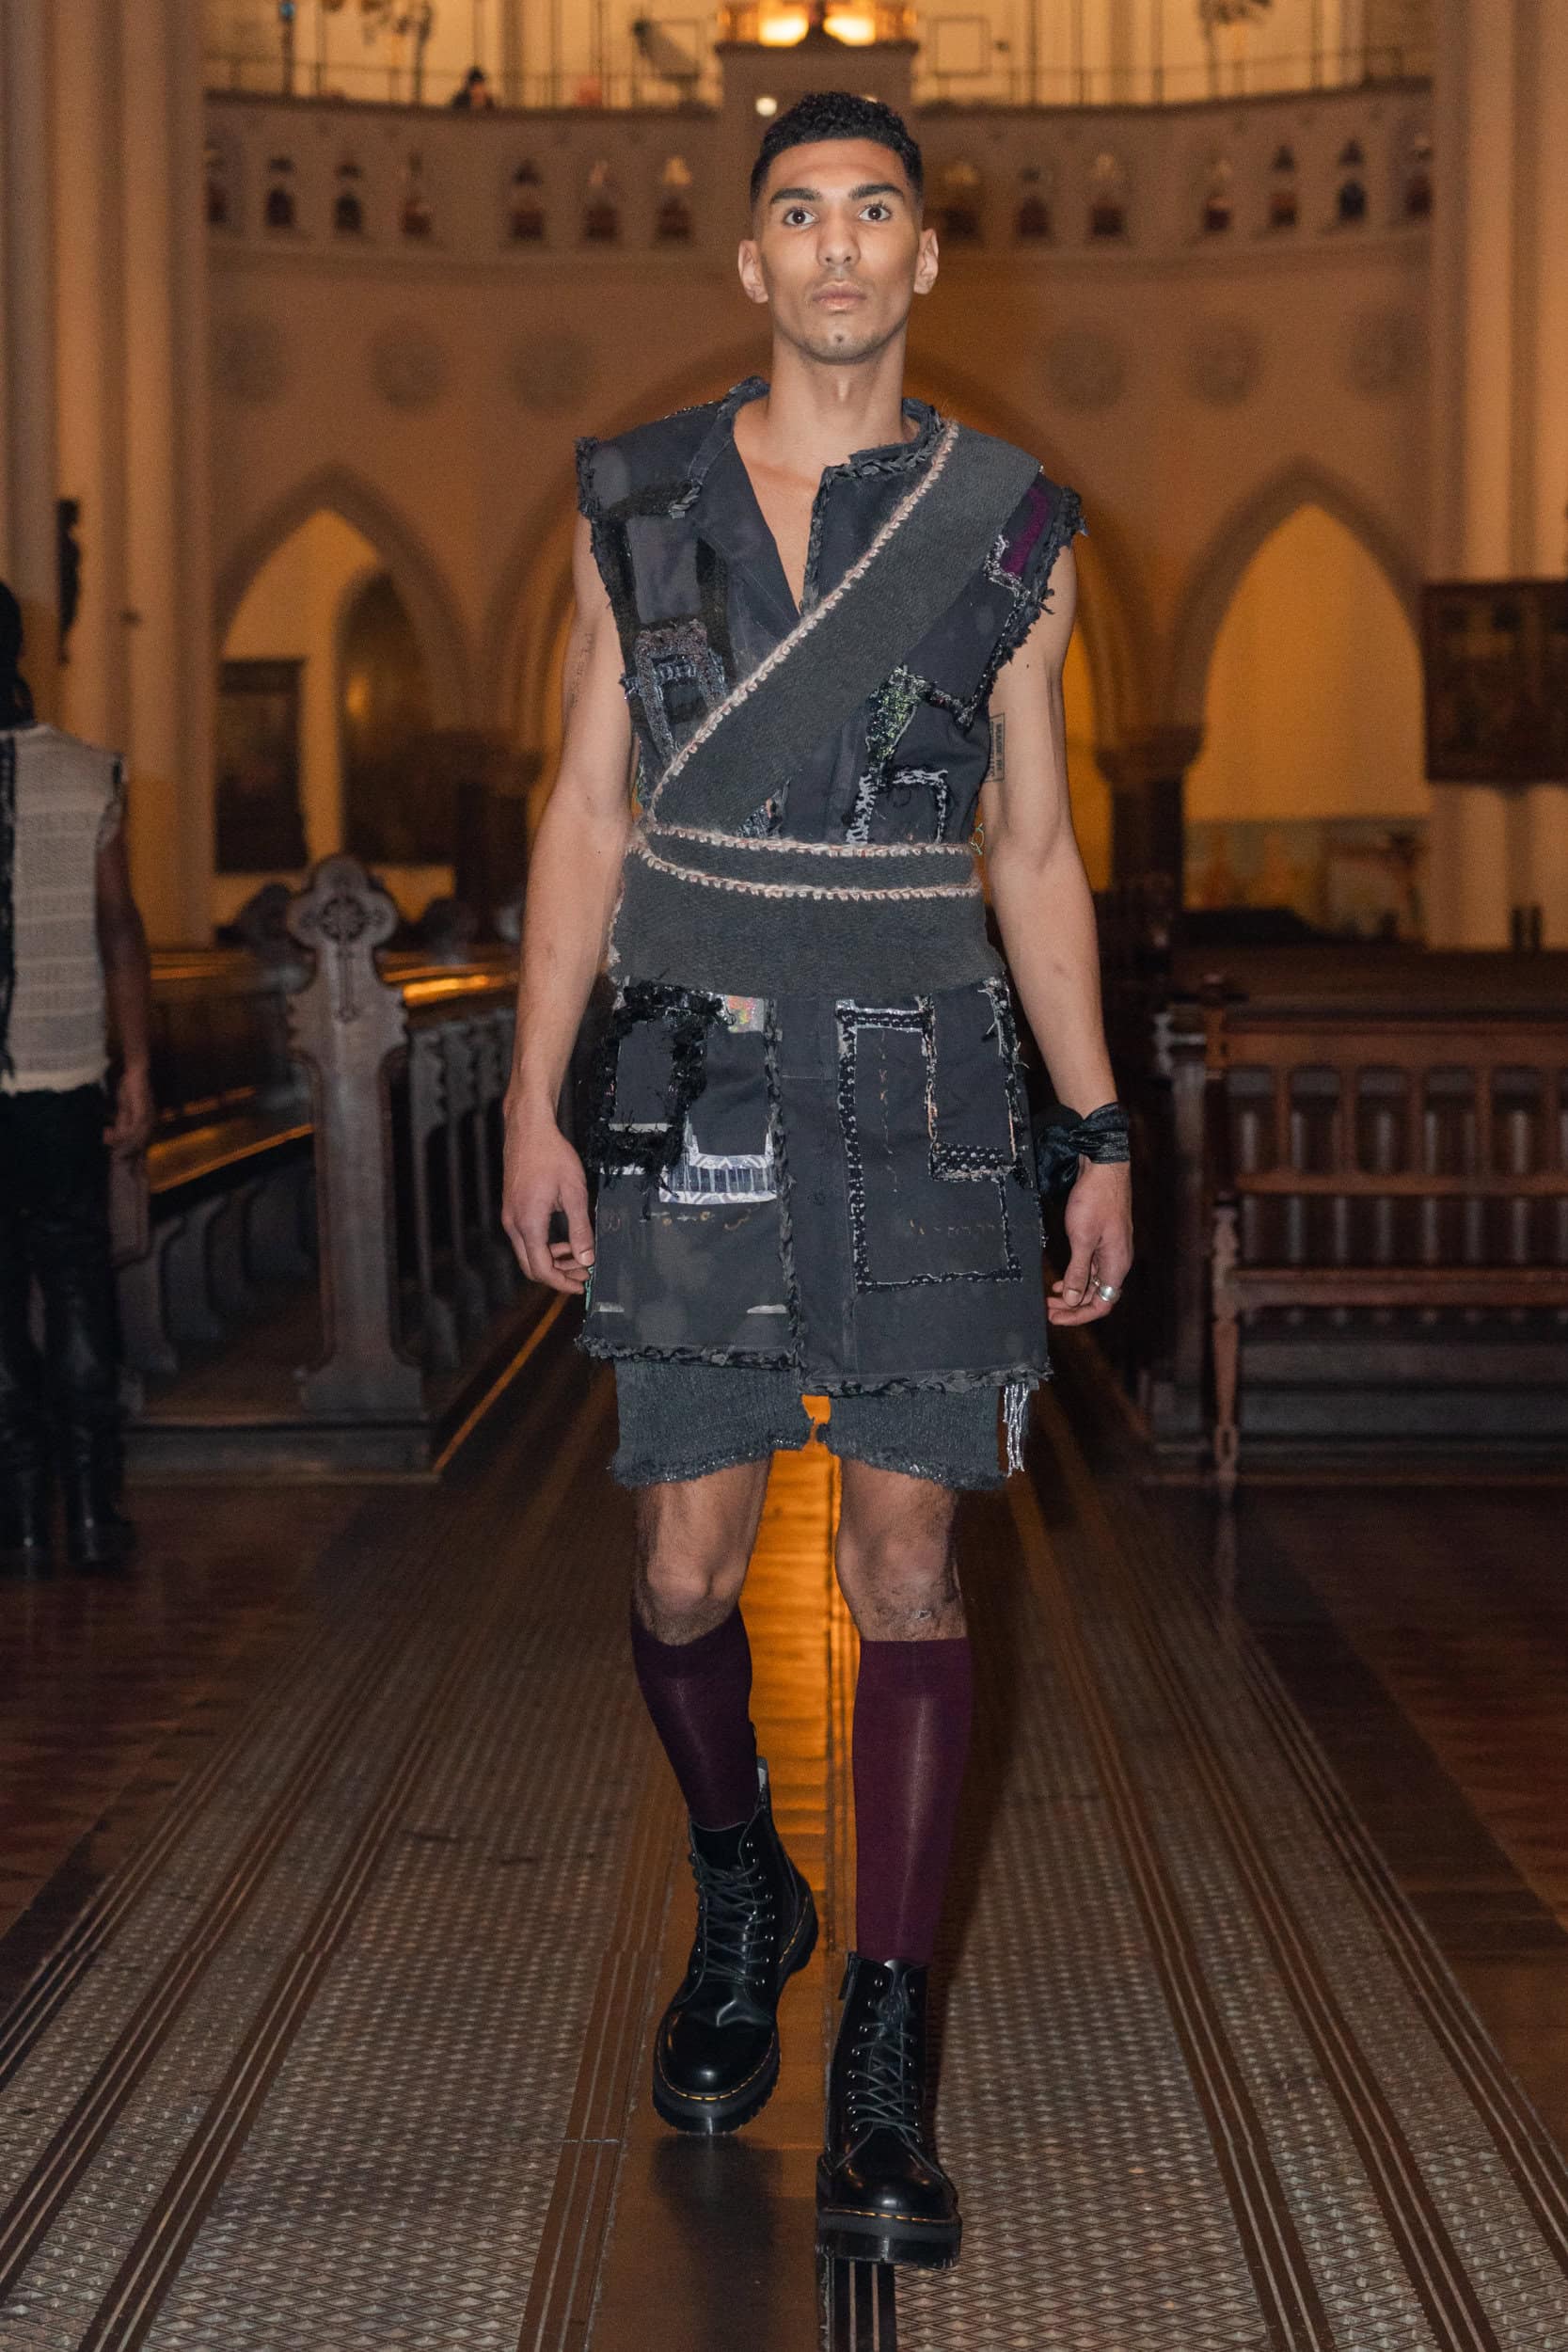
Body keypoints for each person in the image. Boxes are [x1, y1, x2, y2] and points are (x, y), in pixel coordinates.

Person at [502, 90, 1132, 2272]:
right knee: (683, 1573)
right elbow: (584, 813)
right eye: (801, 212)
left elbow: (1031, 846)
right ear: (752, 262)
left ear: (924, 256)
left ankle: (881, 2045)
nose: (840, 245)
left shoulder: (1011, 523)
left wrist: (1097, 1125)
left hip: (925, 1081)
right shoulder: (634, 499)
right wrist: (532, 1097)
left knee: (908, 1564)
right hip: (686, 1071)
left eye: (876, 211)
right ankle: (738, 1878)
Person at [0, 583, 153, 1576]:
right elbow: (118, 928)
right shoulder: (87, 770)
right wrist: (136, 1064)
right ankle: (94, 1513)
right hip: (65, 1076)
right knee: (76, 1281)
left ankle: (18, 1519)